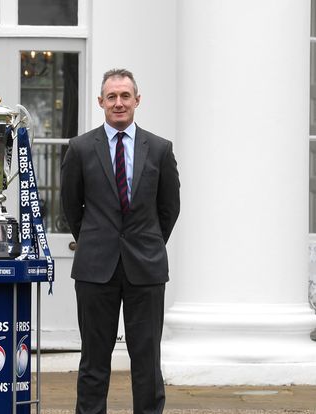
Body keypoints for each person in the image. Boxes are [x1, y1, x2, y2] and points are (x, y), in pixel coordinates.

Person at [61, 68, 180, 414]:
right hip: (95, 269)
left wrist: (149, 242)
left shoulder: (159, 149)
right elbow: (72, 207)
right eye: (111, 97)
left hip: (146, 268)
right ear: (101, 102)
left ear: (137, 101)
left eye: (125, 96)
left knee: (146, 361)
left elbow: (169, 208)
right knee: (94, 362)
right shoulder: (81, 149)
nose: (118, 103)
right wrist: (95, 241)